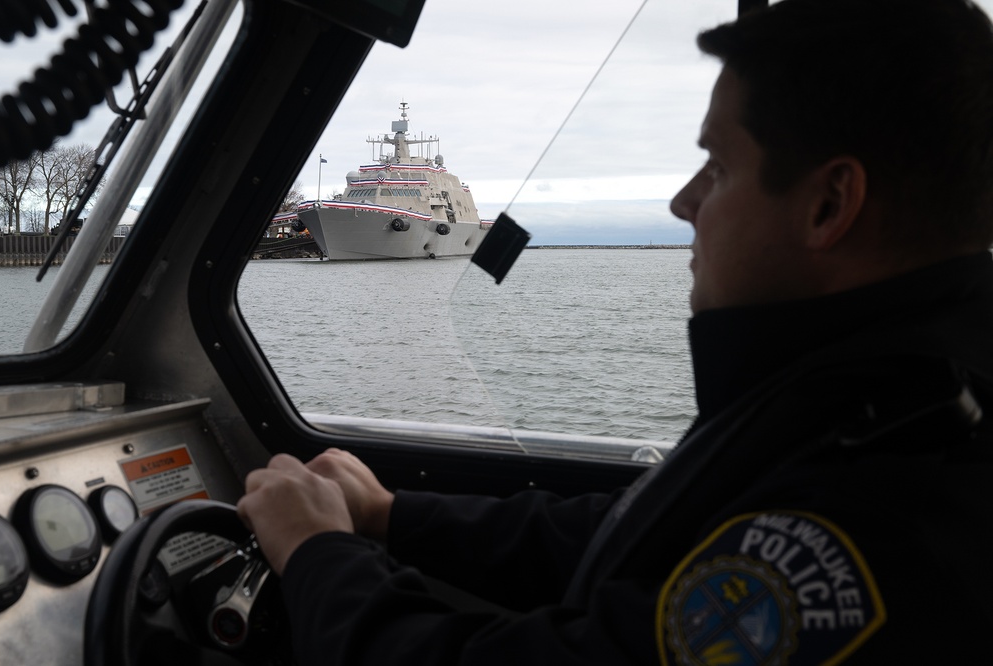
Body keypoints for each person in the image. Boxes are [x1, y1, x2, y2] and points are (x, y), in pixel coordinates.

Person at [237, 0, 993, 662]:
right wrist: (395, 515)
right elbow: (646, 527)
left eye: (718, 168)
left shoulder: (881, 515)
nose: (682, 202)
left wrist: (315, 556)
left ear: (830, 204)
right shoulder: (868, 398)